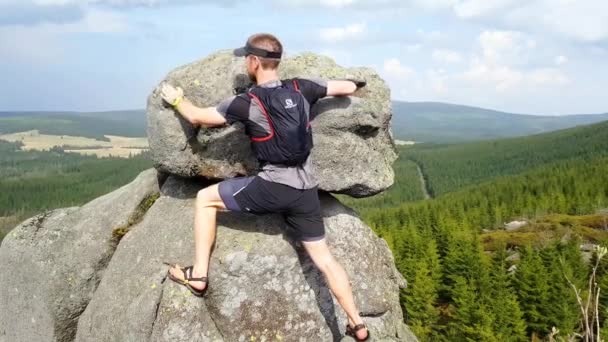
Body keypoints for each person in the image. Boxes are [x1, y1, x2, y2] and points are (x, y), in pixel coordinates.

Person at [160, 33, 369, 341]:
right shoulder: (303, 88)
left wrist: (177, 99)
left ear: (254, 62)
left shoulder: (246, 103)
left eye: (246, 58)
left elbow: (197, 116)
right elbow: (346, 87)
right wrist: (356, 83)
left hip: (272, 187)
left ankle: (199, 276)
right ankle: (358, 324)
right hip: (306, 190)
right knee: (325, 260)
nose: (246, 62)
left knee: (205, 199)